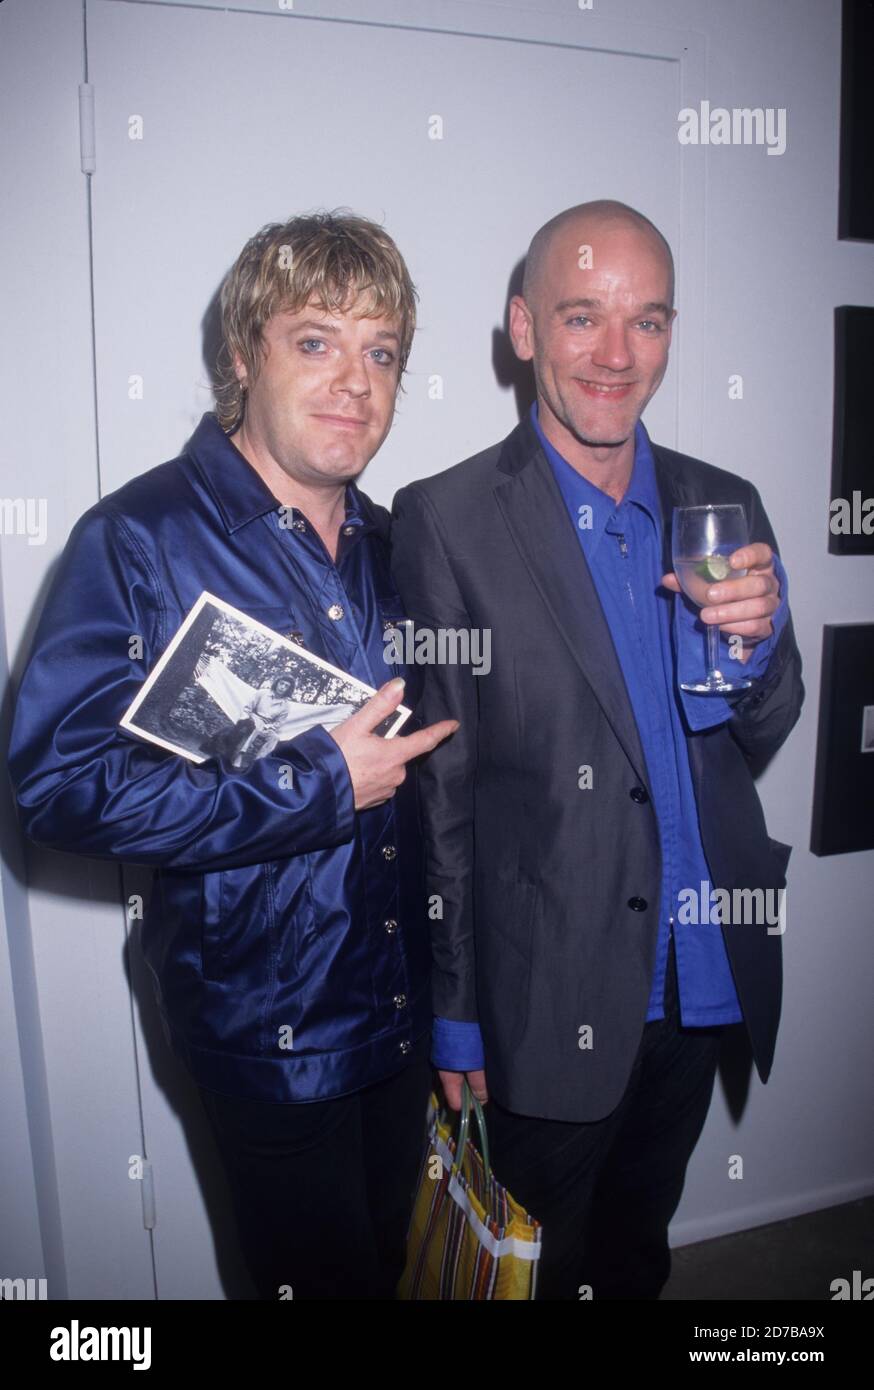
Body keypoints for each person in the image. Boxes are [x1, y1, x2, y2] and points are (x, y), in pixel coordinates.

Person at [8, 210, 457, 1300]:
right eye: (316, 340)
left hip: (400, 1013)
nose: (355, 380)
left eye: (381, 351)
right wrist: (315, 784)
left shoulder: (403, 546)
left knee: (391, 1267)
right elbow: (53, 785)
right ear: (243, 353)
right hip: (268, 1028)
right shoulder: (139, 540)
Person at [390, 199, 804, 1300]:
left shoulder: (726, 501)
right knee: (532, 1270)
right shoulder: (445, 519)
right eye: (583, 318)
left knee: (636, 1251)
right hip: (542, 993)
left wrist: (757, 652)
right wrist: (454, 1006)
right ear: (523, 328)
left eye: (648, 321)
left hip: (701, 972)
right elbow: (440, 795)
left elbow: (764, 726)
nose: (617, 357)